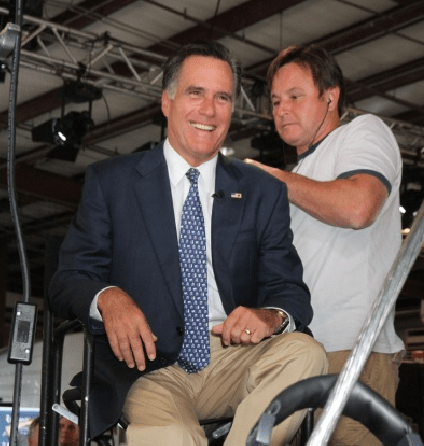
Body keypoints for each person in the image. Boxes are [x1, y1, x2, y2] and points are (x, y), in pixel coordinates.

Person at [48, 40, 327, 446]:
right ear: (167, 101)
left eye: (222, 97)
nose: (209, 110)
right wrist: (109, 297)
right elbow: (67, 280)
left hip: (235, 358)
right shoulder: (112, 182)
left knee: (307, 353)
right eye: (196, 93)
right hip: (146, 369)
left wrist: (271, 316)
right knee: (176, 437)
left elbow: (290, 291)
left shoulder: (263, 191)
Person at [247, 44, 405, 446]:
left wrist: (272, 180)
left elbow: (358, 207)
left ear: (330, 97)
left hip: (352, 350)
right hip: (295, 354)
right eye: (276, 100)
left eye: (296, 96)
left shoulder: (362, 132)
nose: (282, 109)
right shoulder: (297, 176)